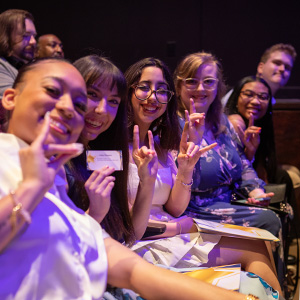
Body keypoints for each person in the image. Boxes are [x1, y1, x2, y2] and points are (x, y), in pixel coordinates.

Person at [0, 57, 270, 300]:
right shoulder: (42, 167)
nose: (72, 108)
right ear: (10, 97)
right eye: (52, 91)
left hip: (136, 246)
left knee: (257, 266)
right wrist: (33, 187)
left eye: (81, 102)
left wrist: (157, 177)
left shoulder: (60, 176)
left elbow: (130, 268)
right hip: (154, 240)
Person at [123, 57, 282, 296]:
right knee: (263, 234)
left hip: (175, 227)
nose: (153, 97)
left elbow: (175, 207)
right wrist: (177, 227)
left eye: (160, 90)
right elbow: (128, 225)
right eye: (144, 87)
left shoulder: (162, 141)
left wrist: (186, 167)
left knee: (260, 243)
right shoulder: (119, 145)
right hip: (153, 237)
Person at [66, 54, 136, 245]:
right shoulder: (55, 163)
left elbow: (128, 234)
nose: (102, 110)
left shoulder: (99, 153)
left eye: (113, 101)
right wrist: (94, 214)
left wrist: (148, 179)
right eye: (93, 95)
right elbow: (57, 249)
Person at [0, 9, 37, 132]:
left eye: (34, 36)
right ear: (5, 35)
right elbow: (15, 108)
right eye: (26, 36)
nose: (33, 41)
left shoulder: (25, 68)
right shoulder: (1, 66)